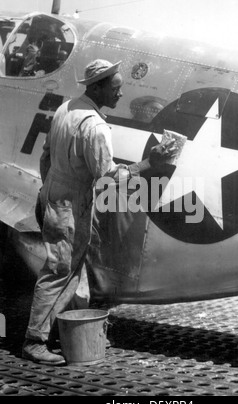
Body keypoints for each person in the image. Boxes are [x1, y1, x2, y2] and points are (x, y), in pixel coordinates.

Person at [22, 59, 176, 365]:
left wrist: (49, 193)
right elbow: (108, 177)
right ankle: (34, 341)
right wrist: (149, 163)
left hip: (52, 193)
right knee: (59, 272)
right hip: (71, 205)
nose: (120, 94)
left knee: (73, 269)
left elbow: (46, 156)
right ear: (98, 87)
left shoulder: (66, 109)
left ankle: (68, 328)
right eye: (116, 88)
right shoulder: (96, 127)